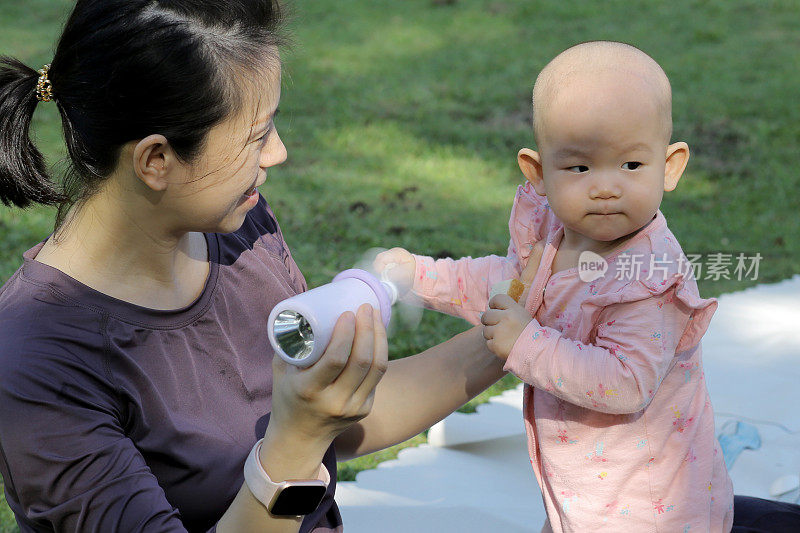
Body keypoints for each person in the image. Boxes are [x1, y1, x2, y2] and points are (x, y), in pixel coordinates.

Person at [0, 1, 507, 531]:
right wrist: (297, 444)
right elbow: (307, 434)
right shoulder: (37, 363)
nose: (279, 154)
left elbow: (338, 420)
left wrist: (514, 334)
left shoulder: (237, 227)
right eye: (258, 135)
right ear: (156, 161)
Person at [376, 41, 735, 531]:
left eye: (631, 165)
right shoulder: (550, 231)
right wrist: (419, 276)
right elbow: (506, 287)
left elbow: (627, 382)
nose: (605, 186)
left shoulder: (647, 277)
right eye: (580, 167)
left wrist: (527, 343)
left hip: (648, 505)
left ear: (669, 166)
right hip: (585, 487)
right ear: (539, 172)